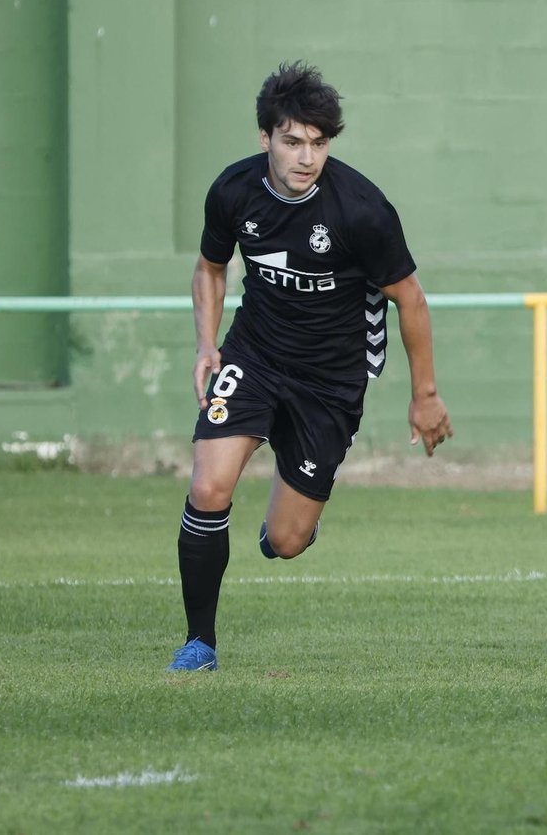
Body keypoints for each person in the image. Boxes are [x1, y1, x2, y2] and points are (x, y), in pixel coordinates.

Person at [167, 63, 453, 672]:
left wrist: (424, 394)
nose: (306, 157)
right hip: (255, 355)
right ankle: (199, 644)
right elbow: (211, 267)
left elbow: (411, 298)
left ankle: (290, 527)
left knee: (287, 543)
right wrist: (207, 344)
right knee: (208, 486)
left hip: (329, 381)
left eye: (319, 143)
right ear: (264, 136)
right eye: (293, 141)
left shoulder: (362, 209)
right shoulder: (233, 191)